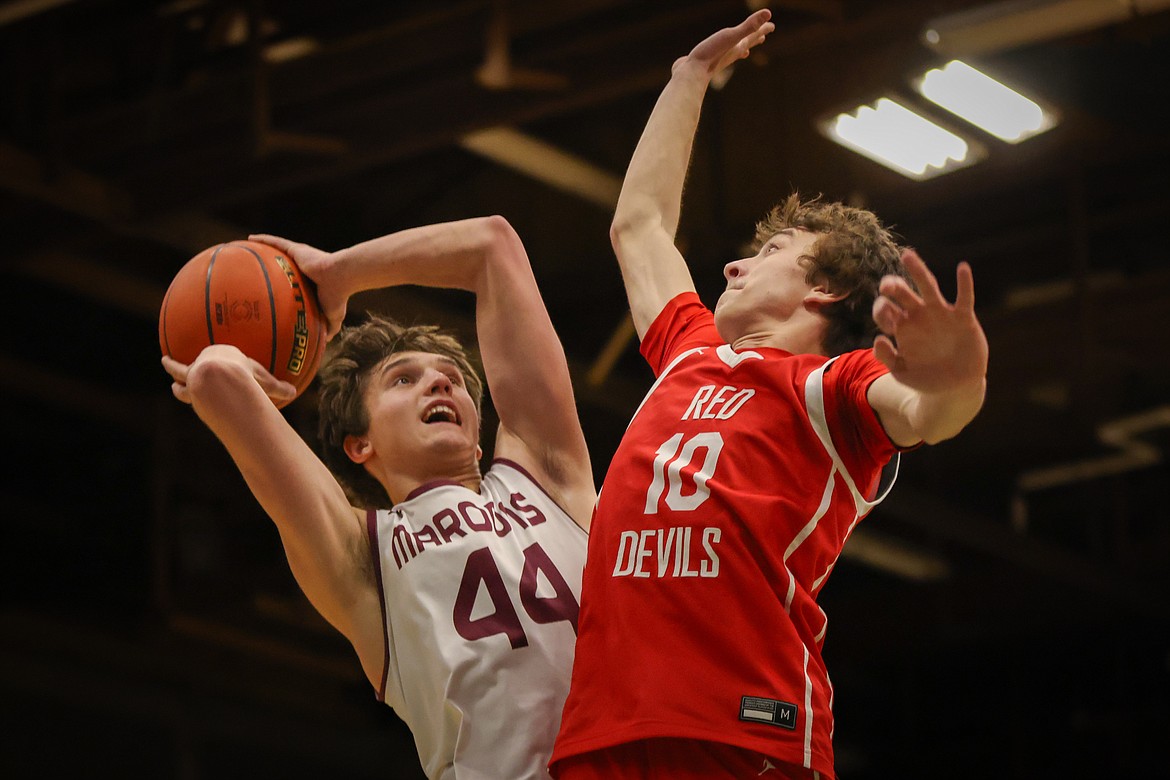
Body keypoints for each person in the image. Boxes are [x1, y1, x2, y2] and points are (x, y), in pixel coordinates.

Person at [550, 9, 988, 780]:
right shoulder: (689, 357)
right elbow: (640, 226)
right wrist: (687, 80)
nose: (732, 268)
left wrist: (959, 376)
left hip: (744, 729)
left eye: (770, 253)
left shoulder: (834, 389)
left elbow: (929, 416)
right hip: (605, 728)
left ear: (824, 288)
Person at [161, 216, 595, 780]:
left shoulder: (546, 474)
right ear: (359, 443)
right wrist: (245, 370)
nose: (440, 384)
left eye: (452, 379)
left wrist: (339, 273)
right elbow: (216, 373)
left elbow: (493, 245)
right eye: (402, 379)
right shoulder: (363, 557)